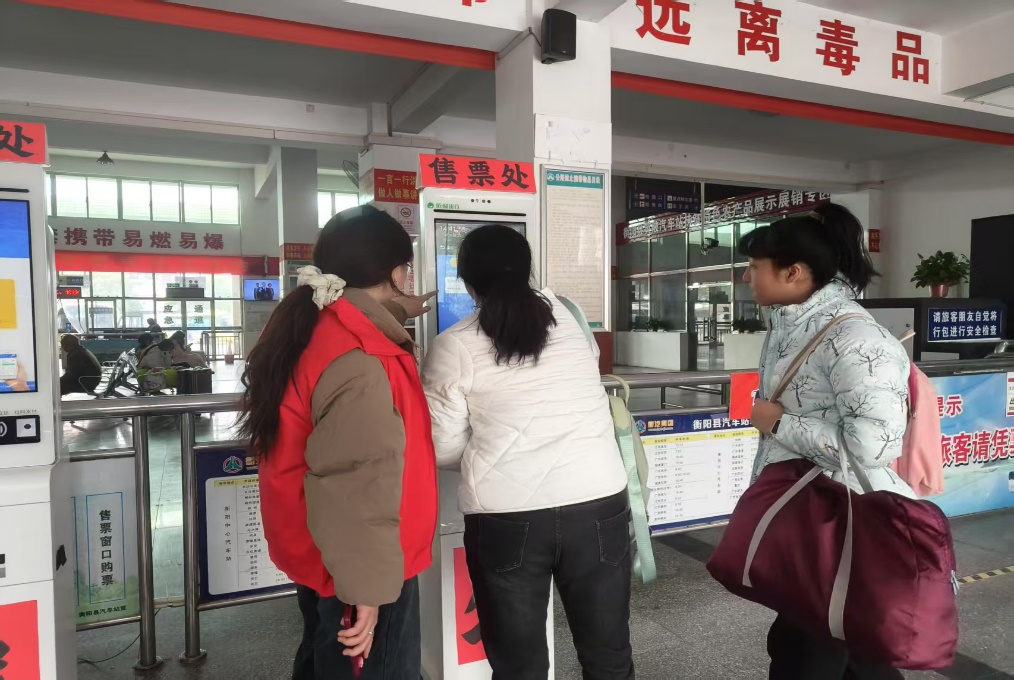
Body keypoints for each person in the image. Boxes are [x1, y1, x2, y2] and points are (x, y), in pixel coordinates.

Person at [422, 225, 633, 680]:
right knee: (609, 655)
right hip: (598, 502)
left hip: (506, 518)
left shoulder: (453, 345)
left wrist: (496, 453)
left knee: (520, 666)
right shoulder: (571, 318)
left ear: (467, 282)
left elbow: (442, 446)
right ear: (526, 269)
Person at [237, 205, 438, 680]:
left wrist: (396, 310)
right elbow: (358, 477)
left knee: (321, 657)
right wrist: (366, 588)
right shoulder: (361, 359)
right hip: (362, 564)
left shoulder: (311, 327)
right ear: (397, 273)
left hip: (323, 550)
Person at [740, 203, 912, 680]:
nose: (747, 277)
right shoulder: (790, 326)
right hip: (806, 511)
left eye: (755, 266)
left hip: (838, 516)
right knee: (849, 643)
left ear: (794, 272)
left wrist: (779, 423)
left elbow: (874, 446)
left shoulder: (857, 339)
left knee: (806, 647)